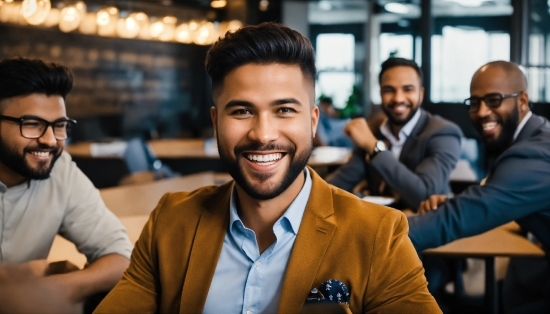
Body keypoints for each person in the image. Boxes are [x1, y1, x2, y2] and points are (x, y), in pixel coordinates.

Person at [94, 23, 440, 313]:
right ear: (216, 122)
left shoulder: (379, 234)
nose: (263, 135)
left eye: (285, 110)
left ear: (313, 120)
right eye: (242, 111)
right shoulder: (170, 223)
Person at [410, 60, 550, 311]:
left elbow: (454, 220)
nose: (483, 111)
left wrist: (371, 233)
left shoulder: (531, 154)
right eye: (474, 103)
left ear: (522, 101)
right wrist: (459, 203)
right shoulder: (534, 138)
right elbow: (494, 198)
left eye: (494, 100)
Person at [0, 57, 132, 310]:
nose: (50, 140)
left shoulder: (60, 171)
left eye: (59, 126)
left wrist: (56, 288)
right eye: (32, 124)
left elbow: (120, 257)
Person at [327, 58, 463, 209]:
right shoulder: (375, 131)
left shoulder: (443, 132)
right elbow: (342, 181)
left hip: (421, 226)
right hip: (379, 223)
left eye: (408, 89)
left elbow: (423, 195)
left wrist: (374, 147)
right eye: (389, 90)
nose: (398, 98)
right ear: (380, 94)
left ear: (421, 94)